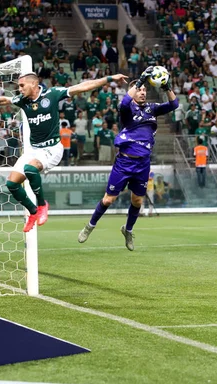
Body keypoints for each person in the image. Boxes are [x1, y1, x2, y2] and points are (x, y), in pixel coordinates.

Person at [0, 72, 128, 232]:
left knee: (30, 169)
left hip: (52, 149)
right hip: (33, 150)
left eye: (22, 85)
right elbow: (4, 99)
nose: (19, 89)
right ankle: (33, 212)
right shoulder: (23, 100)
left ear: (33, 84)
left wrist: (109, 78)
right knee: (11, 184)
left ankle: (42, 205)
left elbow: (83, 87)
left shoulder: (53, 94)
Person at [78, 67, 178, 250]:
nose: (142, 92)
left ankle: (128, 230)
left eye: (144, 90)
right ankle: (90, 226)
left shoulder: (152, 109)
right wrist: (140, 80)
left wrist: (167, 87)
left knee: (137, 201)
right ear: (133, 92)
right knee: (108, 199)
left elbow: (174, 105)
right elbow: (124, 102)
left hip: (143, 163)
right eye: (139, 90)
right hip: (124, 162)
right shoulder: (127, 109)